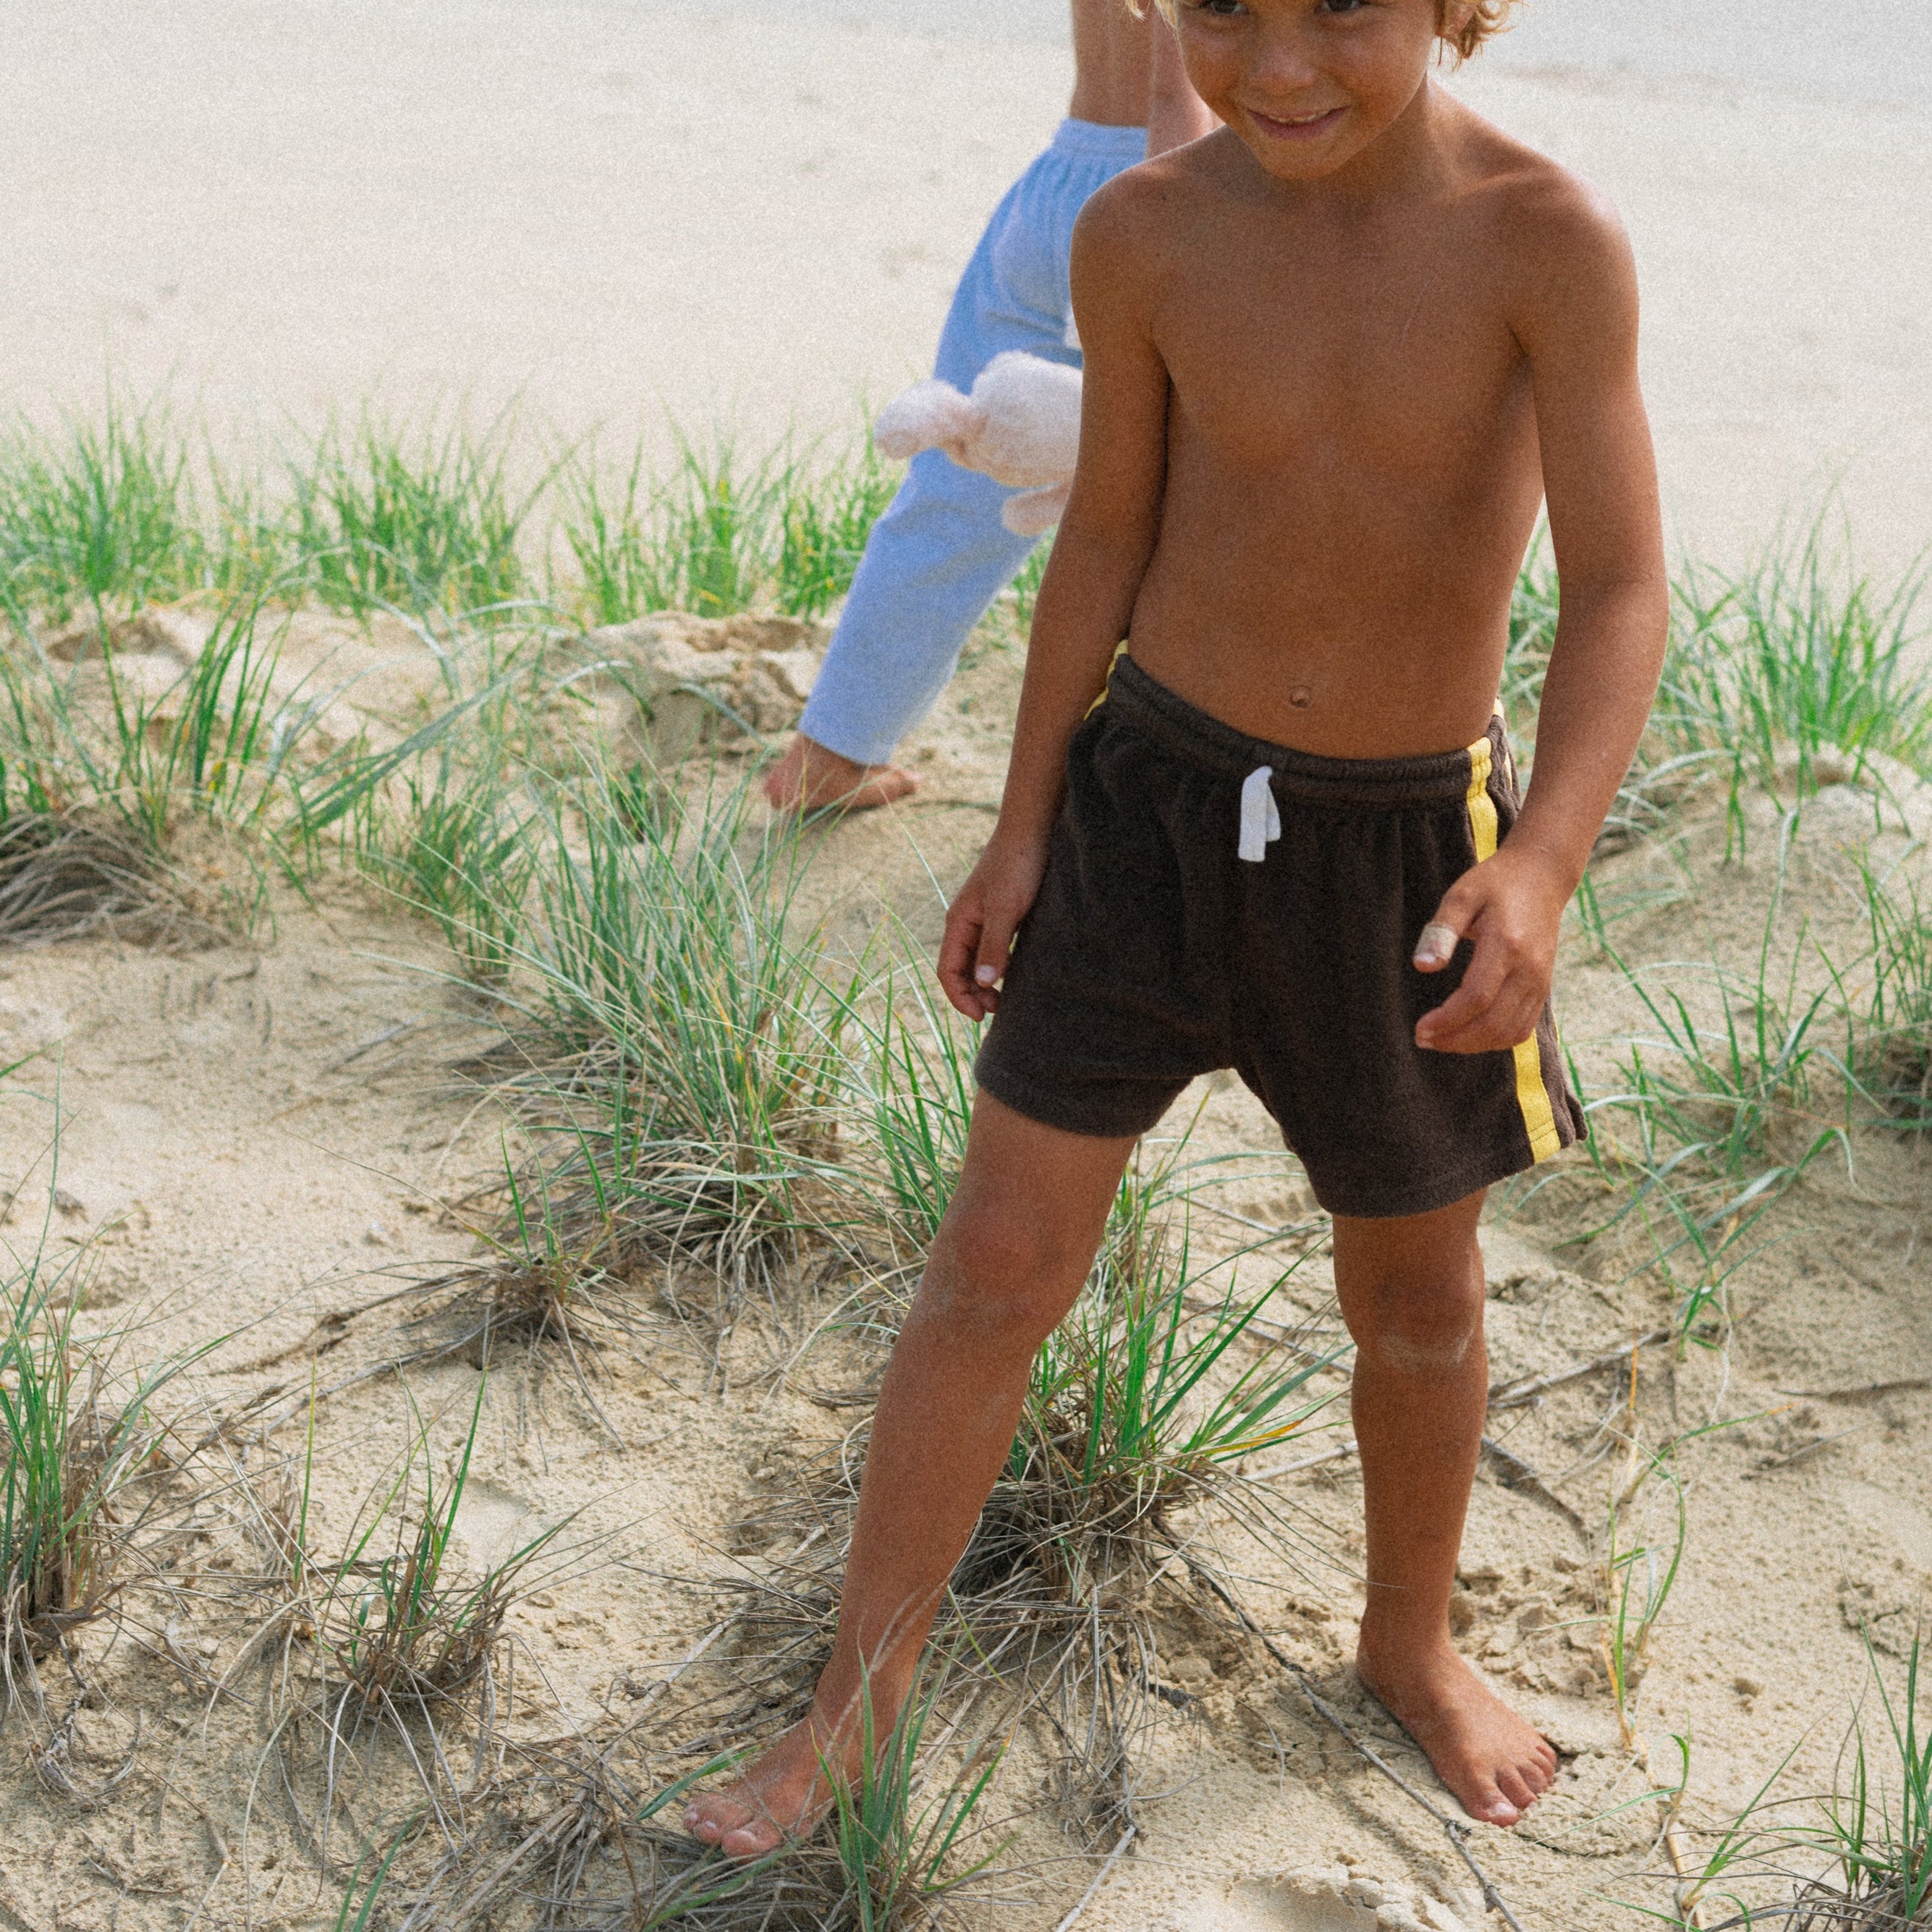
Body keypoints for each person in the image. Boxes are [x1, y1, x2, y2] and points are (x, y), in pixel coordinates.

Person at [692, 0, 1666, 1853]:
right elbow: (1104, 537)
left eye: (1339, 11)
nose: (1276, 63)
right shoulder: (1140, 230)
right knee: (989, 1267)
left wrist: (1534, 862)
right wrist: (1023, 820)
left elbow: (1620, 586)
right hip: (1146, 806)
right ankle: (851, 1714)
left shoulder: (1544, 241)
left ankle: (1407, 1641)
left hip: (1399, 859)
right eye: (1221, 8)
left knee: (1415, 1300)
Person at [763, 0, 1215, 813]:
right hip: (1158, 179)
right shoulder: (1160, 184)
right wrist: (1176, 237)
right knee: (1185, 492)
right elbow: (1173, 88)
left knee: (954, 482)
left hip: (1057, 179)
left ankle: (830, 751)